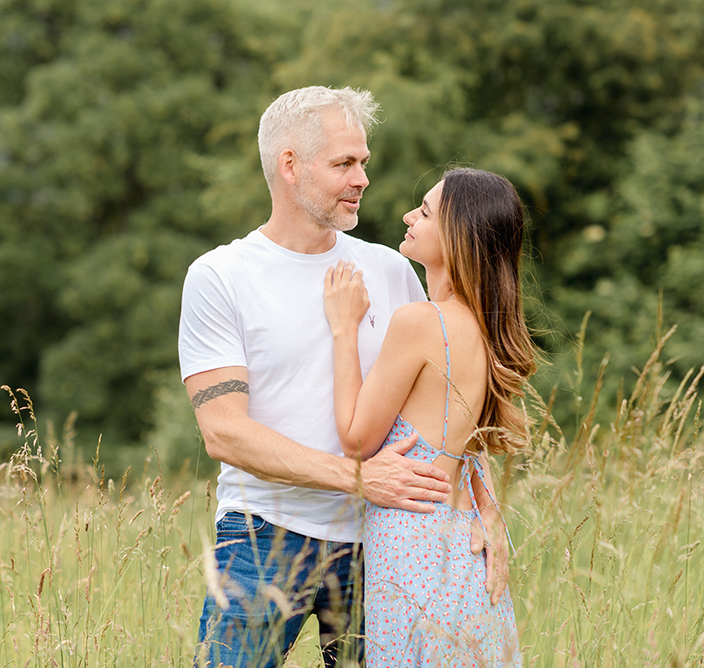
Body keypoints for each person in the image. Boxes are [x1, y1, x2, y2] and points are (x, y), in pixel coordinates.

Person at [179, 87, 507, 668]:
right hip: (261, 537)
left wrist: (487, 509)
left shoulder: (388, 266)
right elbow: (223, 434)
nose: (362, 179)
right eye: (343, 164)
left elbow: (445, 405)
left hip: (379, 547)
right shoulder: (220, 276)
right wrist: (357, 478)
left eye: (364, 163)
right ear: (289, 165)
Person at [323, 167, 537, 666]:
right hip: (463, 544)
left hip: (411, 537)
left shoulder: (421, 322)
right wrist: (489, 509)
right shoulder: (486, 328)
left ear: (458, 235)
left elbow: (357, 441)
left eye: (424, 212)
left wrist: (343, 329)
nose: (407, 216)